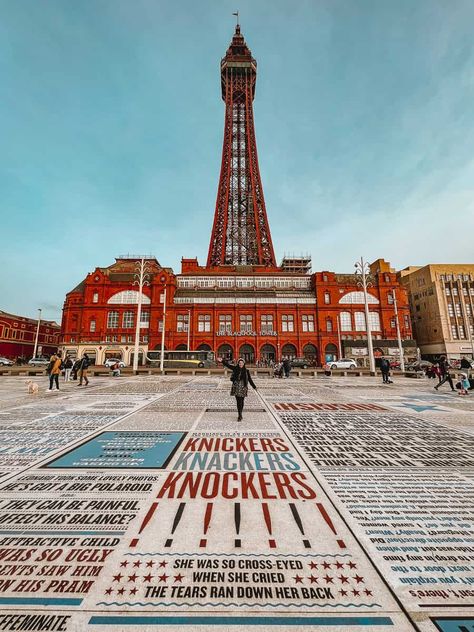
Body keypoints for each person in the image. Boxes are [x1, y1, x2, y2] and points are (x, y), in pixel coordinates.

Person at [222, 357, 257, 421]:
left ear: (244, 364)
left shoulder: (246, 371)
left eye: (242, 363)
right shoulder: (235, 368)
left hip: (243, 387)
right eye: (239, 363)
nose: (240, 364)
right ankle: (239, 415)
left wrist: (254, 386)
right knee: (238, 401)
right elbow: (228, 365)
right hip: (236, 386)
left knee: (242, 401)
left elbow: (249, 379)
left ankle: (240, 413)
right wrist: (222, 361)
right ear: (238, 363)